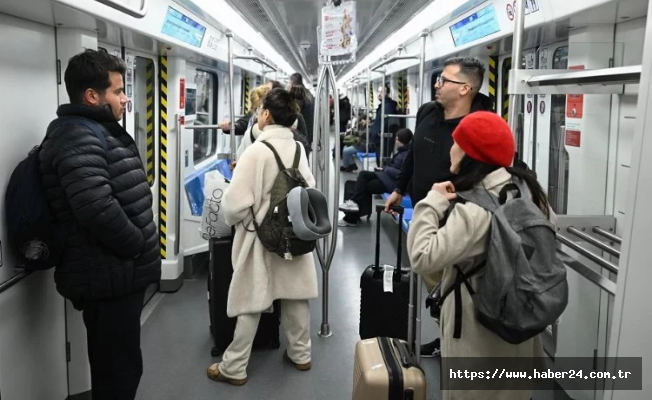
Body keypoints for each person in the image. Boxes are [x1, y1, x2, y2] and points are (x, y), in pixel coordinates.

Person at [38, 49, 161, 400]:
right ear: (93, 96)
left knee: (118, 363)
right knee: (117, 371)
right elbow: (96, 207)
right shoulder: (77, 135)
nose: (125, 99)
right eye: (118, 91)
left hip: (115, 273)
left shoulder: (93, 130)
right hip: (108, 275)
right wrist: (136, 244)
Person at [406, 111, 551, 400]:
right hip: (521, 323)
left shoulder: (475, 211)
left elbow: (422, 256)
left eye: (456, 142)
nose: (450, 147)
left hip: (477, 331)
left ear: (472, 153)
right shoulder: (531, 193)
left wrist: (431, 202)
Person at [206, 88, 317, 385]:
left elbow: (234, 203)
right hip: (292, 234)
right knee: (295, 295)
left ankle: (234, 367)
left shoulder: (256, 151)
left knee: (252, 299)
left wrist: (243, 219)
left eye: (259, 111)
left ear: (266, 114)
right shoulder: (297, 148)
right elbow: (308, 186)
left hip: (261, 237)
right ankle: (301, 354)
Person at [384, 56, 492, 357]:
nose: (437, 83)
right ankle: (446, 339)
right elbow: (414, 156)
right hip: (425, 213)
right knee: (437, 290)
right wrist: (398, 188)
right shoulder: (427, 113)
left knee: (458, 293)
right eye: (438, 78)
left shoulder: (479, 124)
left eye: (445, 80)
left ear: (465, 88)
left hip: (460, 223)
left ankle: (461, 348)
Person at [339, 128, 413, 226]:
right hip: (387, 178)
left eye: (396, 139)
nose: (395, 141)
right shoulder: (402, 152)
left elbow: (401, 174)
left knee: (364, 186)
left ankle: (351, 218)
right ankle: (353, 205)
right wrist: (383, 168)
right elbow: (393, 167)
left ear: (401, 140)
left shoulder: (406, 155)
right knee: (363, 175)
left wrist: (386, 169)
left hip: (393, 184)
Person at [288, 73, 315, 155]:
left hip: (301, 133)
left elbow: (295, 113)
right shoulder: (308, 93)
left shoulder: (297, 94)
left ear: (292, 83)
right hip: (309, 131)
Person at [370, 84, 398, 162]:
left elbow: (387, 123)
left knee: (382, 161)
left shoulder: (388, 106)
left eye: (382, 92)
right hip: (379, 139)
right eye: (378, 92)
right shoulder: (382, 106)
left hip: (384, 139)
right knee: (379, 161)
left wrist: (378, 133)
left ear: (387, 93)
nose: (379, 94)